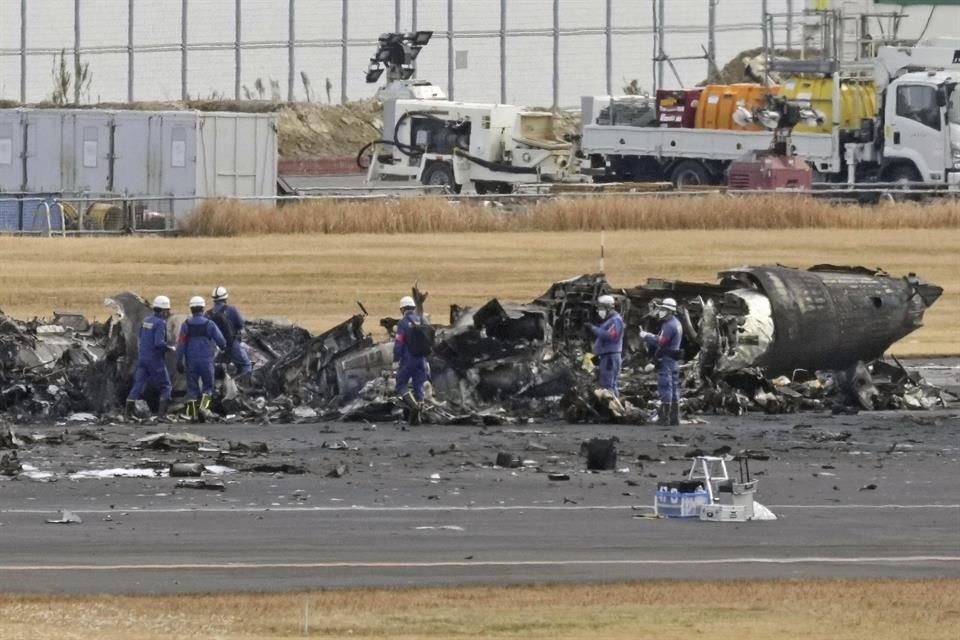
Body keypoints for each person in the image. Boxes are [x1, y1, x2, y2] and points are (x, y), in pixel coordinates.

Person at [176, 296, 226, 421]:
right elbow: (222, 342)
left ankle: (192, 415)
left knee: (192, 389)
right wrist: (222, 348)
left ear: (191, 309)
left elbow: (181, 344)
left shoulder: (186, 325)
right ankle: (204, 409)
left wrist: (179, 361)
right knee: (208, 387)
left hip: (191, 362)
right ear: (203, 309)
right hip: (206, 361)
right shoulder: (209, 324)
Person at [125, 295, 174, 419]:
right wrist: (170, 348)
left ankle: (128, 414)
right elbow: (158, 343)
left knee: (138, 384)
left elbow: (140, 337)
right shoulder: (160, 323)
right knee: (166, 386)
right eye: (167, 310)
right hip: (155, 360)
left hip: (142, 358)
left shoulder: (146, 320)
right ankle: (161, 416)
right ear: (163, 310)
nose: (168, 313)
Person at [640, 297, 683, 426]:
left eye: (663, 309)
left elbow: (661, 341)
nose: (660, 312)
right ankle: (674, 418)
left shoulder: (669, 325)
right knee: (674, 387)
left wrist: (646, 336)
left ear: (669, 311)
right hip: (673, 359)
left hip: (667, 359)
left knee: (665, 386)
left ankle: (665, 418)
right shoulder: (676, 322)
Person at [393, 295, 430, 425]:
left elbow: (399, 343)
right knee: (418, 386)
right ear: (413, 307)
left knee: (401, 384)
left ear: (402, 309)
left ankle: (414, 406)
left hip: (409, 360)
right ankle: (416, 418)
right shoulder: (422, 319)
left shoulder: (402, 323)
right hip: (422, 360)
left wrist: (396, 359)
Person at [585, 294, 625, 396]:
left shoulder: (616, 320)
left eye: (600, 308)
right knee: (604, 384)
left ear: (608, 308)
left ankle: (611, 409)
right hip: (604, 356)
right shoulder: (609, 321)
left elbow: (610, 336)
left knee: (607, 386)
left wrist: (593, 328)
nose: (598, 311)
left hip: (610, 358)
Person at [207, 285, 252, 375]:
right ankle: (243, 385)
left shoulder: (208, 314)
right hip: (231, 345)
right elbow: (240, 324)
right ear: (225, 297)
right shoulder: (232, 310)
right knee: (246, 365)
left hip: (214, 347)